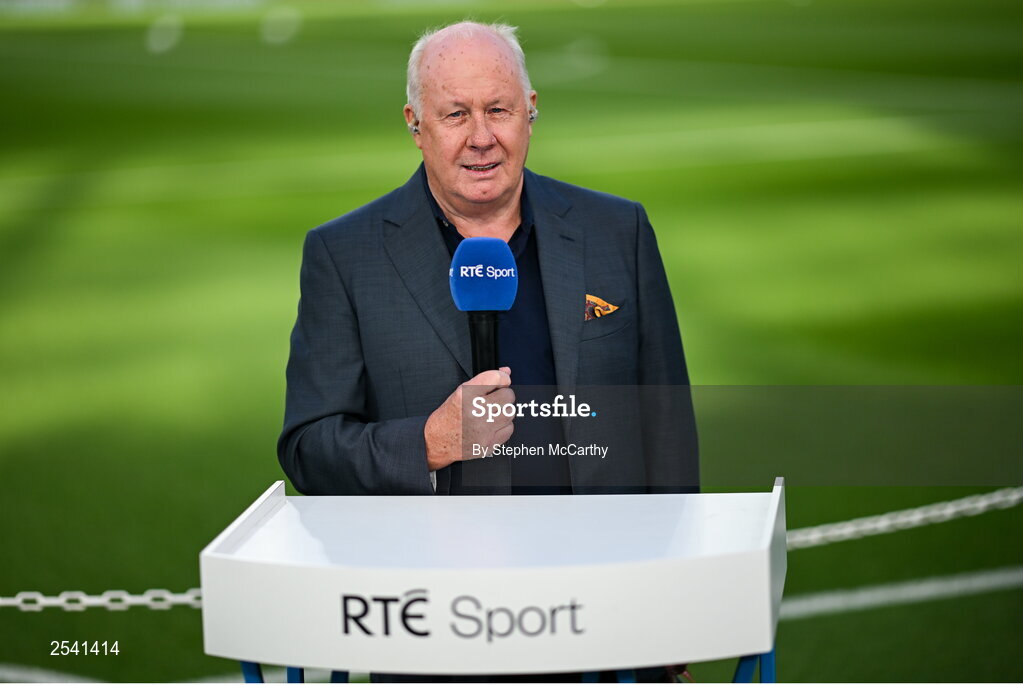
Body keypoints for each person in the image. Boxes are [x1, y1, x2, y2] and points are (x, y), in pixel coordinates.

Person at [278, 21, 697, 497]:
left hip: (603, 559)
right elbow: (308, 449)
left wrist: (672, 556)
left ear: (531, 111)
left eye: (498, 110)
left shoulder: (620, 231)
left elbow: (668, 428)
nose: (481, 137)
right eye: (456, 115)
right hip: (434, 563)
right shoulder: (344, 255)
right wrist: (428, 443)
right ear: (415, 124)